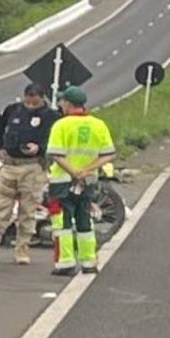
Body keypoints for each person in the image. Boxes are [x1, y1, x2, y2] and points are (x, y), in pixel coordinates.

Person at [0, 83, 60, 264]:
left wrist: (40, 148)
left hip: (33, 167)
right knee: (1, 209)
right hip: (9, 165)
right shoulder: (13, 110)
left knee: (28, 211)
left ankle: (22, 249)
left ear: (42, 99)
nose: (31, 106)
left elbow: (56, 139)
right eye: (28, 103)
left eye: (35, 103)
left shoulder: (51, 116)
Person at [47, 86, 116, 276]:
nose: (61, 105)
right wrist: (88, 170)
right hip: (88, 182)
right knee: (85, 221)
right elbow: (109, 154)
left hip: (62, 182)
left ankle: (65, 263)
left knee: (62, 223)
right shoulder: (98, 125)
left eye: (62, 102)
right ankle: (88, 262)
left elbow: (56, 154)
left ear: (67, 104)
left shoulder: (61, 125)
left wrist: (74, 172)